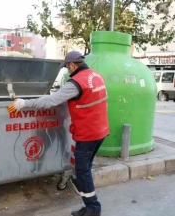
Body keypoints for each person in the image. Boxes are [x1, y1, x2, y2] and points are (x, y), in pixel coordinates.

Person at [7, 51, 109, 216]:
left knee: (82, 171)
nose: (68, 71)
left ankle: (93, 208)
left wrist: (24, 103)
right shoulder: (96, 75)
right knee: (84, 169)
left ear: (73, 65)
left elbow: (51, 101)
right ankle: (88, 205)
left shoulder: (76, 83)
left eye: (67, 67)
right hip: (101, 131)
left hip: (88, 134)